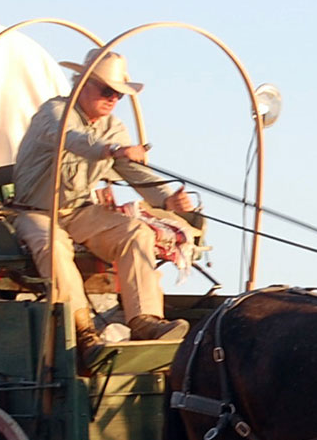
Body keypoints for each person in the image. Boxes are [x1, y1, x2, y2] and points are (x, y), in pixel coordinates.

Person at [11, 48, 195, 353]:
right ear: (82, 84)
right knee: (53, 247)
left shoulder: (113, 128)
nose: (113, 99)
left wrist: (167, 199)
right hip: (35, 212)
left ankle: (145, 320)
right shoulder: (55, 112)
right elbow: (69, 138)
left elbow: (134, 172)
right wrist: (112, 150)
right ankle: (82, 330)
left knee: (135, 232)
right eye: (107, 91)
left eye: (119, 95)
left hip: (80, 211)